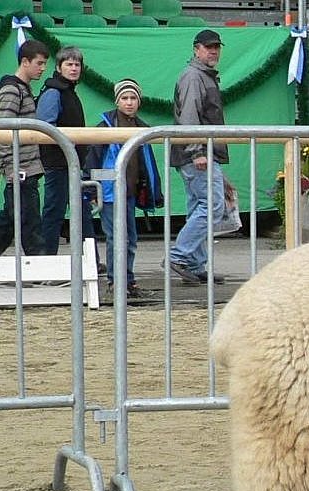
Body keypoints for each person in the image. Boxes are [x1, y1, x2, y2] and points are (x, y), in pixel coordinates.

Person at [87, 79, 163, 295]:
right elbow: (93, 160)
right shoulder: (104, 128)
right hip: (110, 193)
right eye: (124, 98)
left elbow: (146, 164)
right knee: (115, 237)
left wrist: (150, 191)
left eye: (133, 98)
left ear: (138, 102)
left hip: (130, 192)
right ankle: (115, 281)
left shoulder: (142, 129)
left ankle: (128, 281)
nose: (129, 102)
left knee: (130, 238)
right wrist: (93, 190)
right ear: (117, 101)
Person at [168, 28, 227, 285]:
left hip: (195, 152)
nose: (213, 50)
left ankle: (193, 263)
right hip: (196, 152)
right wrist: (197, 151)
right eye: (208, 47)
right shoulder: (194, 77)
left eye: (216, 47)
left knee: (198, 206)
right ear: (196, 49)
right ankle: (179, 255)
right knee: (213, 205)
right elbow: (189, 116)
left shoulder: (200, 75)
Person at [36, 45, 99, 265]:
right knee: (54, 211)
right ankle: (46, 262)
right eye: (69, 64)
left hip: (72, 163)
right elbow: (45, 128)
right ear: (59, 67)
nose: (74, 68)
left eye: (77, 64)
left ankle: (90, 261)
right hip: (58, 163)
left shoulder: (67, 92)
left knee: (82, 213)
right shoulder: (54, 92)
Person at [0, 39, 48, 257]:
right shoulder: (12, 90)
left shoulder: (21, 89)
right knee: (27, 221)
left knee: (13, 218)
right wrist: (10, 165)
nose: (42, 68)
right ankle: (41, 268)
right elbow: (3, 130)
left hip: (24, 166)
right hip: (19, 167)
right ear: (25, 62)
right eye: (39, 63)